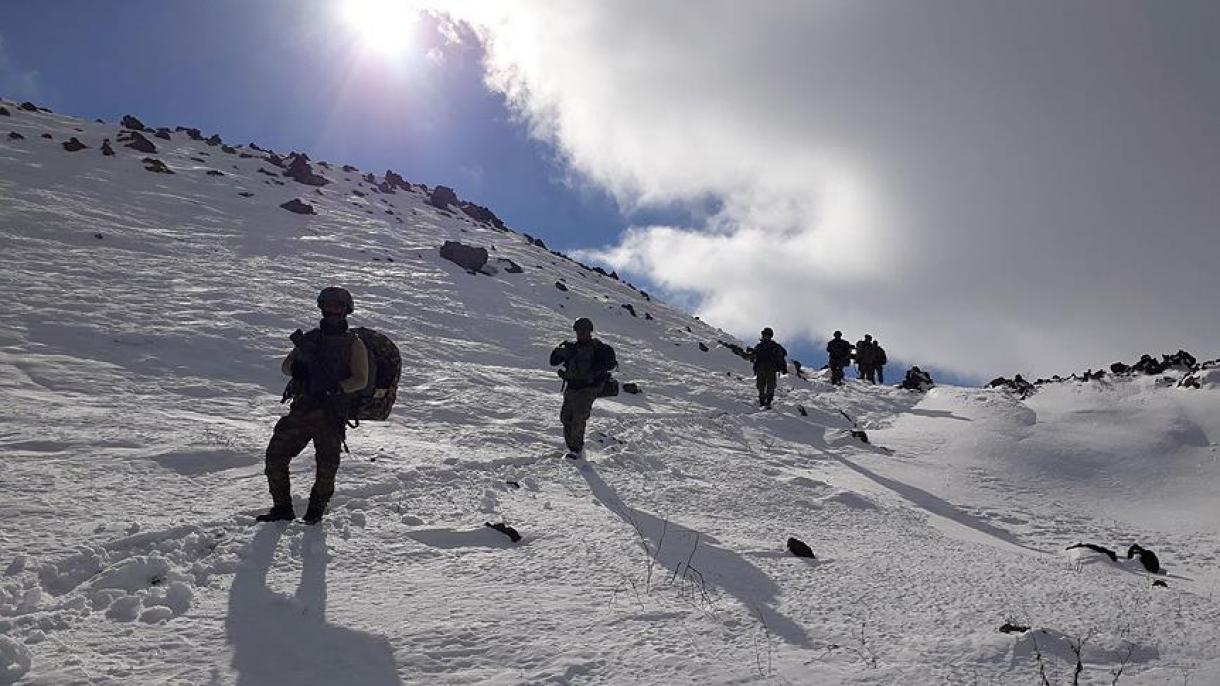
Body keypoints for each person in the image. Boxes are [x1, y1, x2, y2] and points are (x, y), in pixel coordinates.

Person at [257, 287, 369, 524]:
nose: (332, 310)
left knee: (326, 468)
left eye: (337, 306)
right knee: (275, 456)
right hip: (302, 410)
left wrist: (337, 388)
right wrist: (299, 369)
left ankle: (315, 512)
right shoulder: (310, 339)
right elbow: (287, 366)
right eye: (328, 305)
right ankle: (282, 509)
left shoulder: (353, 344)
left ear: (346, 310)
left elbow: (361, 379)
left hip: (330, 414)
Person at [549, 317, 617, 459]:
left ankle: (576, 450)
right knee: (566, 417)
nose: (581, 333)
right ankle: (572, 447)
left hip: (589, 388)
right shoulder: (571, 346)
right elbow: (553, 362)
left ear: (590, 331)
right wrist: (559, 352)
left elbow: (602, 367)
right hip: (572, 387)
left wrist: (589, 376)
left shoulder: (598, 348)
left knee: (579, 417)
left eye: (584, 330)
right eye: (579, 330)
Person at [751, 327, 787, 409]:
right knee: (760, 385)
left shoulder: (774, 346)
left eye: (768, 335)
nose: (766, 336)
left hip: (770, 368)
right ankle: (762, 400)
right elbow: (753, 356)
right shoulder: (759, 346)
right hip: (761, 368)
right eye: (765, 335)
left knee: (770, 385)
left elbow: (780, 357)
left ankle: (768, 401)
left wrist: (783, 367)